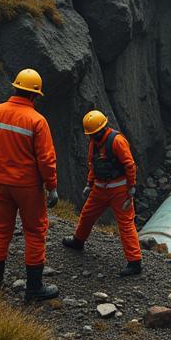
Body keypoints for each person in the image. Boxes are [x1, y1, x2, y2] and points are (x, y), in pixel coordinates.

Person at [0, 68, 59, 302]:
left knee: (0, 230)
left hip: (1, 183)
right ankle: (34, 289)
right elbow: (46, 159)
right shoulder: (37, 121)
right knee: (34, 232)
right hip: (28, 188)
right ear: (34, 95)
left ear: (14, 88)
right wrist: (51, 186)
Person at [62, 110, 142, 276]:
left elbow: (129, 164)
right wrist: (89, 184)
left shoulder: (117, 141)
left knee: (126, 224)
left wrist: (131, 186)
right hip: (99, 189)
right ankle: (78, 241)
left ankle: (135, 262)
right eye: (91, 135)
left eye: (94, 134)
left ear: (102, 129)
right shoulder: (93, 143)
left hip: (119, 190)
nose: (92, 137)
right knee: (87, 215)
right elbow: (93, 165)